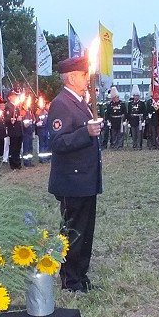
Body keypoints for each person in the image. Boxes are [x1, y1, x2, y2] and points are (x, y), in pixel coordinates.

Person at [47, 55, 102, 292]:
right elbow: (58, 143)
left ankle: (81, 275)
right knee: (73, 232)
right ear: (71, 77)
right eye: (82, 74)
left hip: (85, 178)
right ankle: (70, 280)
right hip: (73, 180)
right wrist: (86, 133)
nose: (86, 78)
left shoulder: (81, 101)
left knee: (85, 231)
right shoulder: (62, 103)